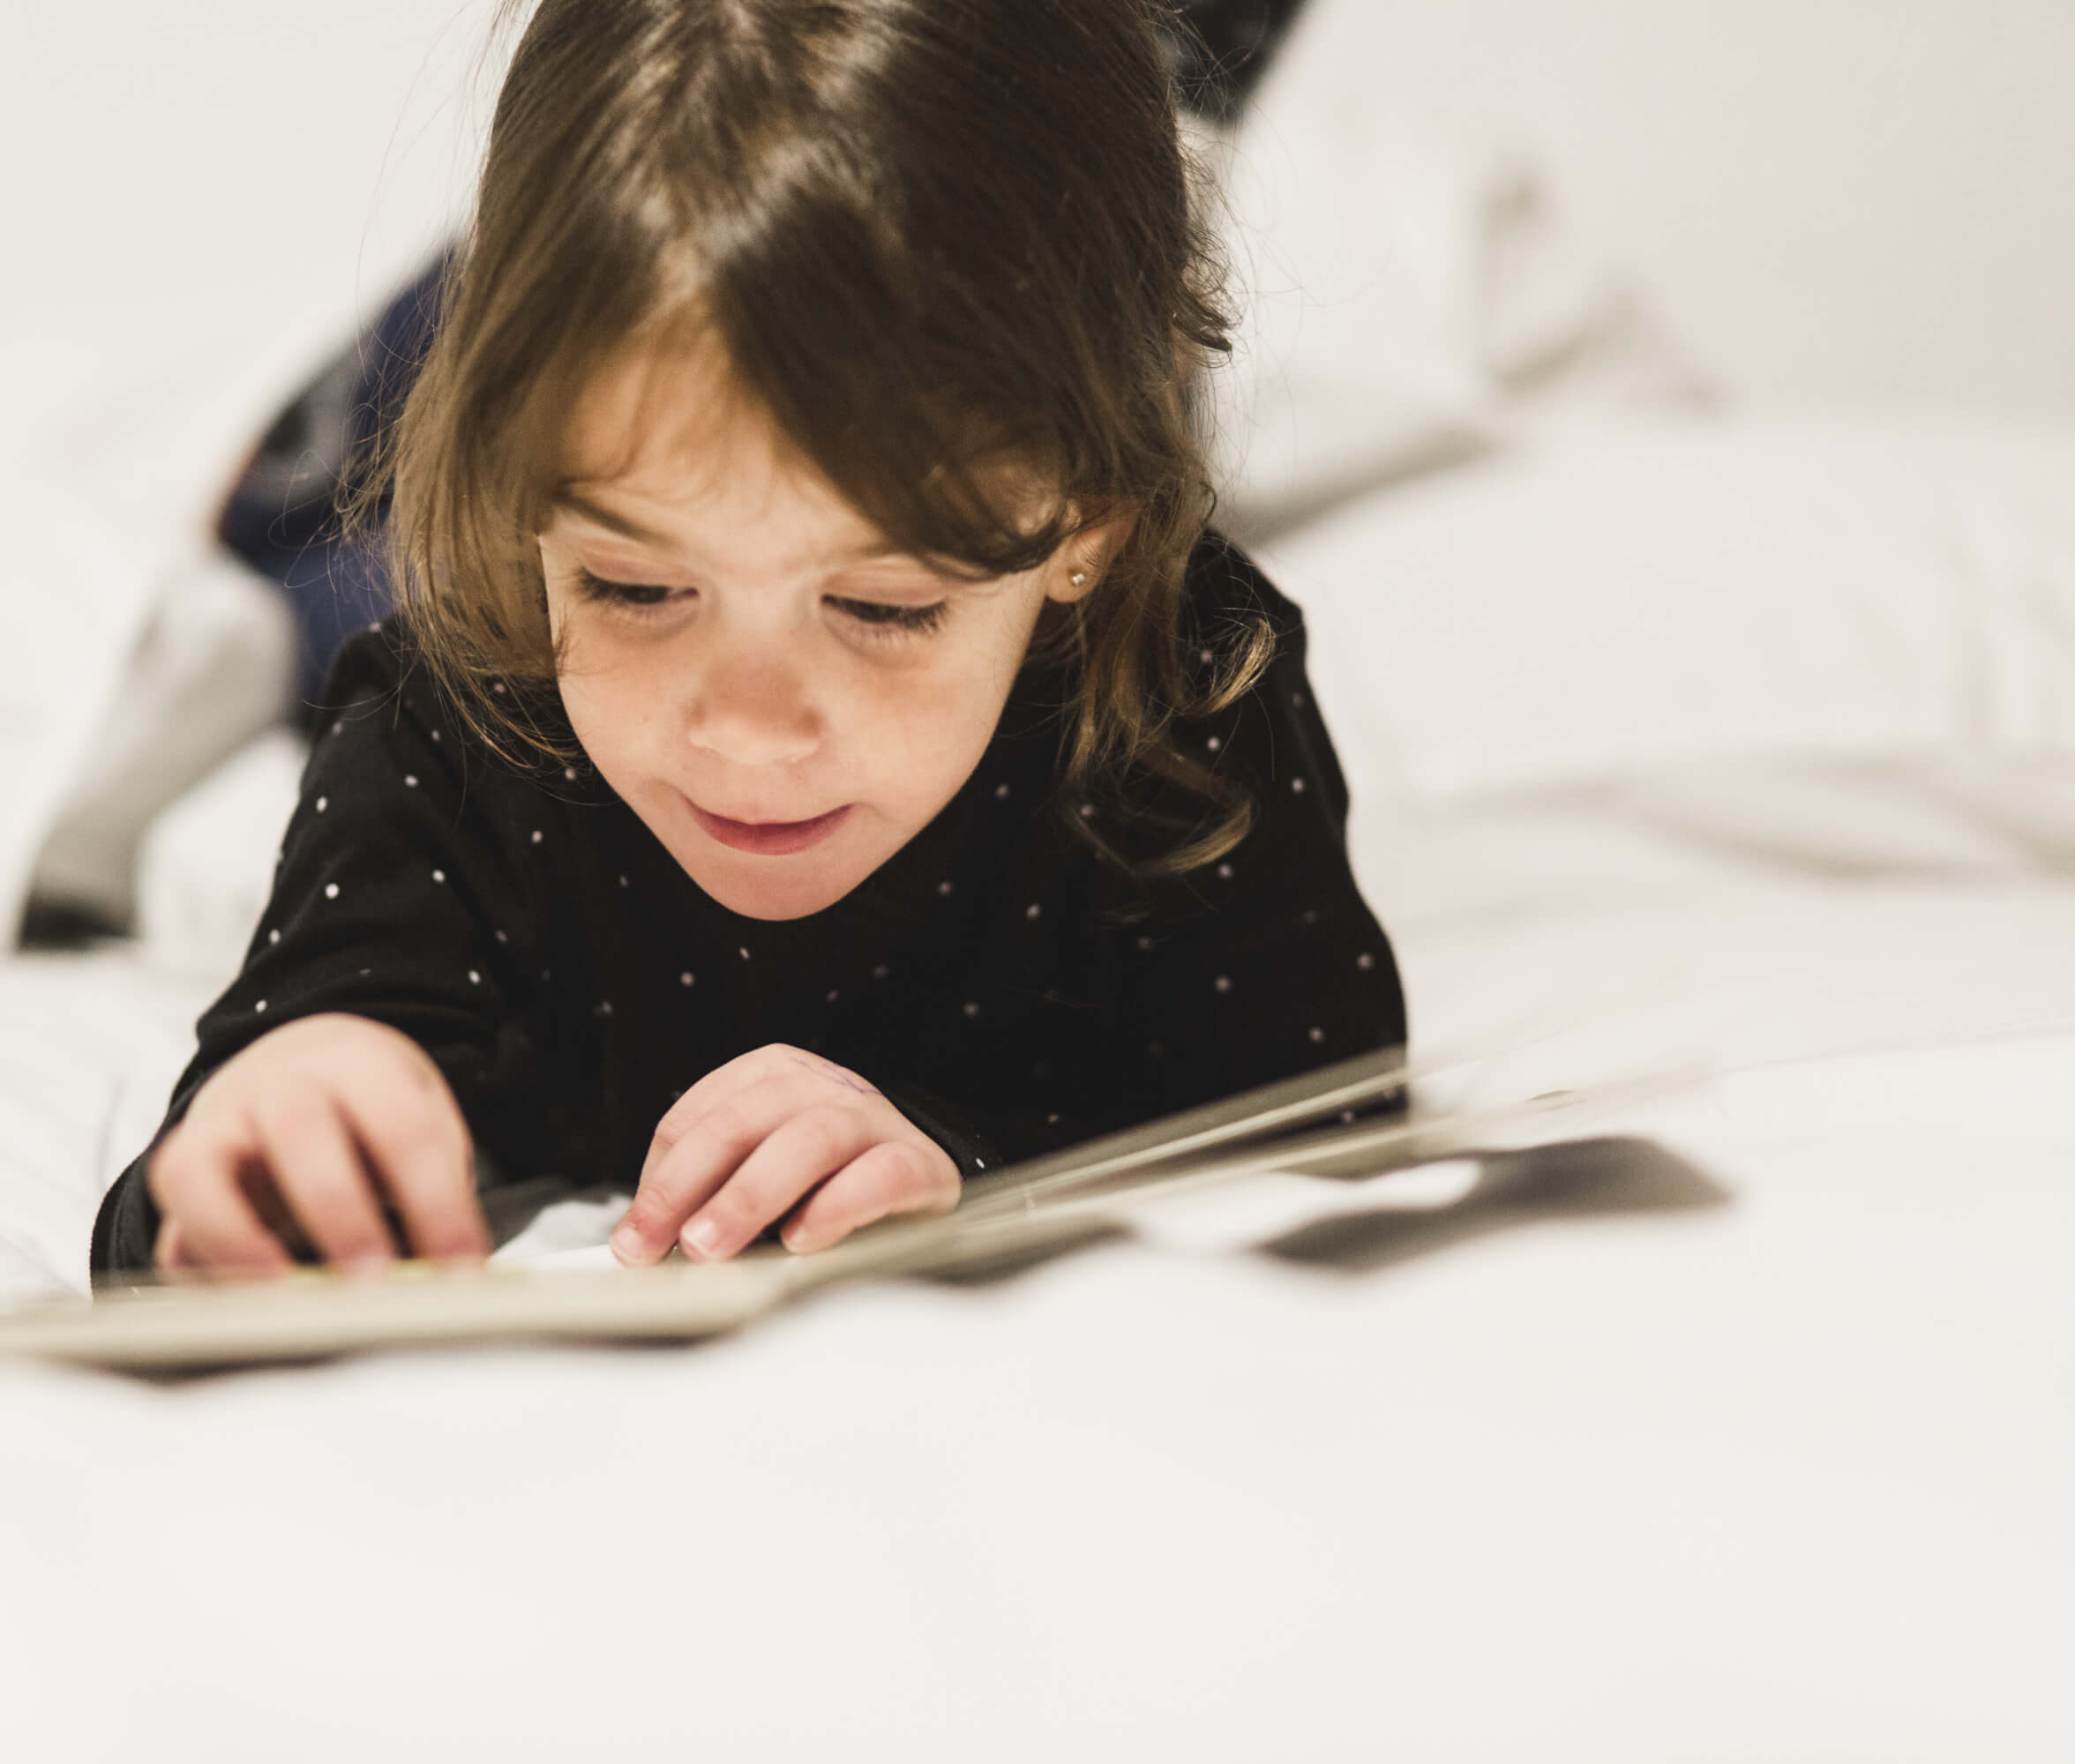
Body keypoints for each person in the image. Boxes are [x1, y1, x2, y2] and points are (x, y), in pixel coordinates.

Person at [91, 0, 1404, 1280]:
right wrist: (280, 1115)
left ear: (1085, 534)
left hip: (1065, 354)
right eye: (633, 587)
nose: (748, 733)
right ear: (531, 512)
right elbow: (166, 1228)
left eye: (884, 607)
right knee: (306, 572)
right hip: (389, 516)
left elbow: (1333, 1125)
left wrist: (977, 1168)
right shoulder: (451, 722)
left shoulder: (1191, 693)